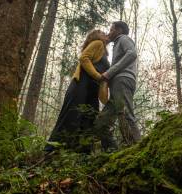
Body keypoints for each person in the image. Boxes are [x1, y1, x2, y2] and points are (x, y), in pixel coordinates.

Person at [45, 29, 109, 153]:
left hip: (91, 90)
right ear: (95, 36)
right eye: (101, 32)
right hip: (81, 85)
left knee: (89, 119)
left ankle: (81, 153)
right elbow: (84, 58)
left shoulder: (103, 52)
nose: (105, 33)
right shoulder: (98, 43)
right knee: (71, 116)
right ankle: (52, 151)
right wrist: (97, 76)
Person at [95, 21, 141, 150]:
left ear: (119, 30)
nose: (109, 32)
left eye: (111, 29)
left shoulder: (123, 38)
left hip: (123, 80)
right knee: (102, 123)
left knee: (125, 115)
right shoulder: (116, 44)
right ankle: (113, 153)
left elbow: (132, 54)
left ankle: (137, 149)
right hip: (117, 84)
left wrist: (108, 73)